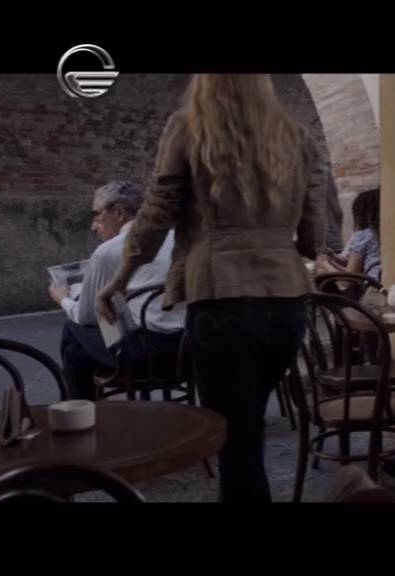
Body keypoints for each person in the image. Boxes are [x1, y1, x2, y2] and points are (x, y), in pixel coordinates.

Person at [97, 74, 329, 502]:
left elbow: (157, 212)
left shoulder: (187, 127)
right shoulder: (296, 136)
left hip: (220, 298)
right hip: (286, 301)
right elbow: (314, 230)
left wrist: (120, 277)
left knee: (236, 438)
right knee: (248, 426)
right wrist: (281, 243)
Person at [49, 180, 183, 400]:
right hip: (188, 350)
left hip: (145, 357)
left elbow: (87, 317)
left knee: (73, 329)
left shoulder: (109, 251)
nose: (93, 226)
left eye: (97, 214)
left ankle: (82, 409)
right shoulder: (178, 238)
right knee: (78, 348)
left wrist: (63, 299)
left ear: (119, 213)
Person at [316, 187, 381, 283]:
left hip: (369, 287)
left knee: (321, 273)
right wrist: (332, 261)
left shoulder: (363, 236)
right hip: (378, 283)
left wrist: (324, 263)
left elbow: (348, 280)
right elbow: (353, 273)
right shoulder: (380, 234)